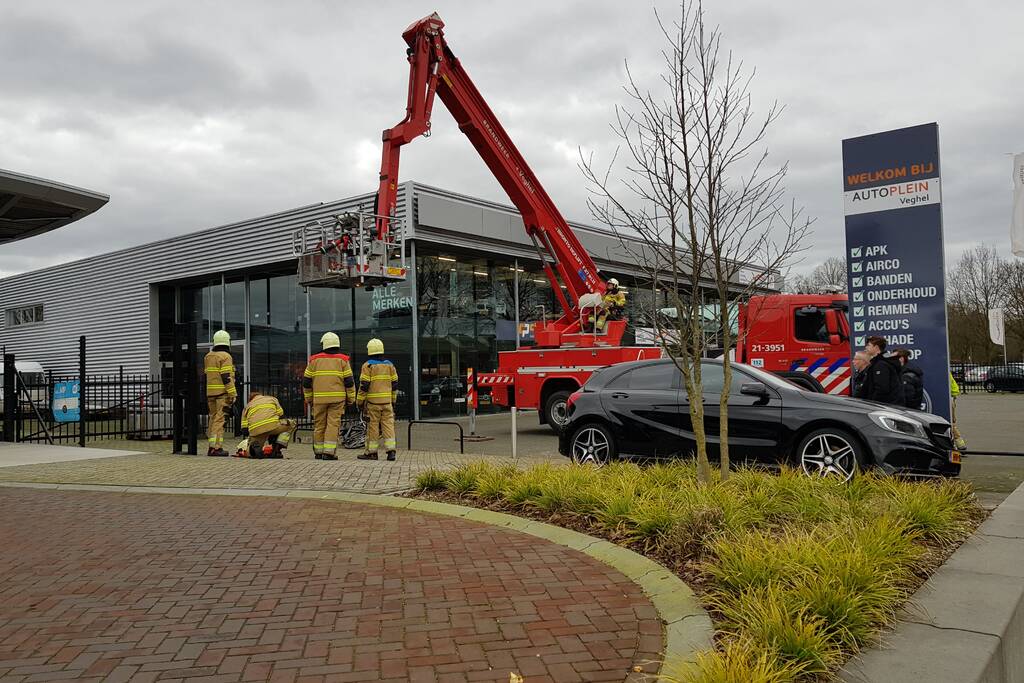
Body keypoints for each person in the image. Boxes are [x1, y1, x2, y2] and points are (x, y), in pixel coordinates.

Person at [303, 332, 356, 460]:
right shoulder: (343, 360)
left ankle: (318, 452)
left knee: (319, 425)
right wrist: (351, 399)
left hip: (319, 400)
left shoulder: (314, 360)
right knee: (333, 425)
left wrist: (309, 399)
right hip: (337, 400)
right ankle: (329, 452)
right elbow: (349, 382)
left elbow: (306, 382)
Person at [357, 338, 399, 461]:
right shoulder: (390, 365)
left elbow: (364, 385)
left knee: (372, 428)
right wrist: (393, 400)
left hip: (372, 404)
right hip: (387, 403)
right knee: (388, 427)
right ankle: (391, 452)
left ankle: (372, 453)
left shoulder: (368, 365)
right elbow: (395, 384)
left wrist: (359, 402)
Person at [203, 329, 236, 456]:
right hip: (222, 394)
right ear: (227, 342)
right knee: (220, 420)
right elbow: (226, 376)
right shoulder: (226, 356)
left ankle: (211, 445)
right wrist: (232, 394)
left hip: (210, 393)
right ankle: (216, 448)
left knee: (213, 418)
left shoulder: (208, 356)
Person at [238, 390, 296, 458]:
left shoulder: (247, 406)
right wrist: (273, 435)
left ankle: (253, 449)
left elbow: (244, 430)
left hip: (256, 430)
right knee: (291, 423)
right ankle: (277, 448)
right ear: (261, 395)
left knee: (250, 452)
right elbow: (281, 415)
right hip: (273, 426)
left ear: (250, 399)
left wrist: (253, 437)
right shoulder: (272, 399)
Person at [854, 335, 903, 405]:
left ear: (876, 347)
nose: (865, 347)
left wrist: (872, 404)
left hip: (884, 407)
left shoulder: (881, 365)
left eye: (868, 345)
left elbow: (882, 389)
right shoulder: (878, 362)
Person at [950, 372, 967, 450]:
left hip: (949, 396)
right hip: (952, 396)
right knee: (952, 421)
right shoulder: (947, 372)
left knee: (951, 423)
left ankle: (960, 445)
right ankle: (959, 444)